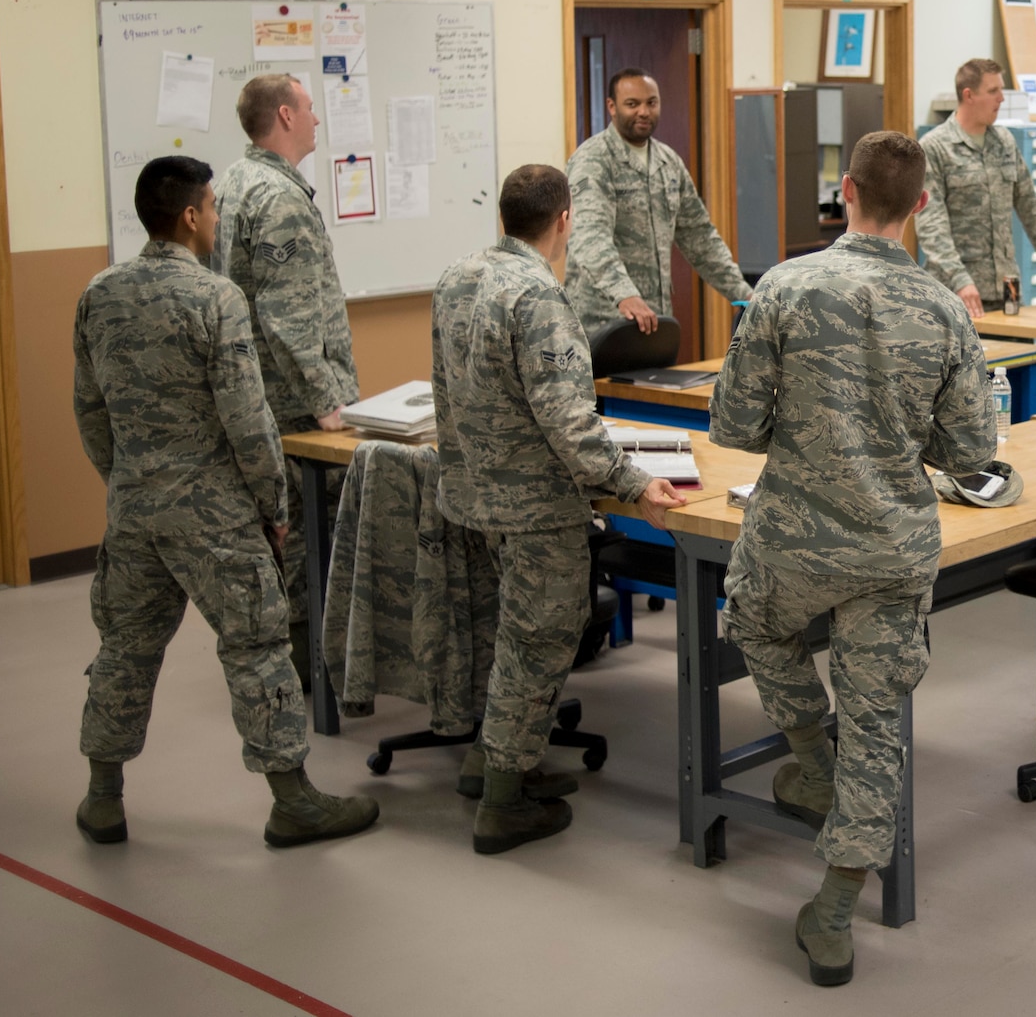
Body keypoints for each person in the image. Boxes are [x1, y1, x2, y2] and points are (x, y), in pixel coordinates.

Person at [710, 131, 996, 986]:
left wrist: (805, 427)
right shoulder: (944, 308)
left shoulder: (785, 285)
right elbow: (971, 451)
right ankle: (832, 914)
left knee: (751, 617)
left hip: (792, 538)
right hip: (891, 549)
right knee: (878, 725)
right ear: (920, 206)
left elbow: (733, 424)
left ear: (846, 191)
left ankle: (812, 763)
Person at [73, 156, 378, 848]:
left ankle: (102, 797)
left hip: (134, 509)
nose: (217, 217)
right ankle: (293, 801)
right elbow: (248, 419)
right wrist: (273, 506)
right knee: (257, 648)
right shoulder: (215, 298)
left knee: (124, 648)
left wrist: (125, 481)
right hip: (213, 515)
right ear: (189, 216)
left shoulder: (100, 293)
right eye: (211, 207)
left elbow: (89, 410)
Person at [431, 164, 686, 854]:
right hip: (536, 505)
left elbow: (446, 389)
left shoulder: (458, 277)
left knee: (512, 635)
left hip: (477, 494)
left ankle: (489, 763)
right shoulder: (539, 297)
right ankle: (503, 803)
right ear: (565, 220)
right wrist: (633, 482)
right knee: (538, 640)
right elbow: (570, 421)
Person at [212, 73, 360, 685]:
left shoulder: (232, 184)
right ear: (285, 116)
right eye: (309, 107)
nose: (317, 118)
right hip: (292, 405)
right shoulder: (278, 197)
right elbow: (288, 316)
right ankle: (307, 669)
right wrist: (327, 403)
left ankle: (288, 659)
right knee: (304, 535)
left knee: (276, 532)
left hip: (256, 395)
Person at [564, 68, 752, 337]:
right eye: (632, 104)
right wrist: (624, 294)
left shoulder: (668, 162)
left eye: (651, 103)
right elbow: (589, 237)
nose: (643, 112)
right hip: (601, 323)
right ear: (612, 107)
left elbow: (700, 237)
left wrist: (744, 294)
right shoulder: (593, 161)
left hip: (655, 319)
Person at [917, 57, 1036, 317]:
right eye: (993, 91)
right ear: (969, 95)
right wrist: (960, 279)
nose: (1001, 99)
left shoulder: (1004, 142)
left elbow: (1031, 208)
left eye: (1001, 90)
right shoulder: (935, 147)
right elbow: (931, 225)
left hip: (1007, 289)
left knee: (1019, 345)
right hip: (957, 294)